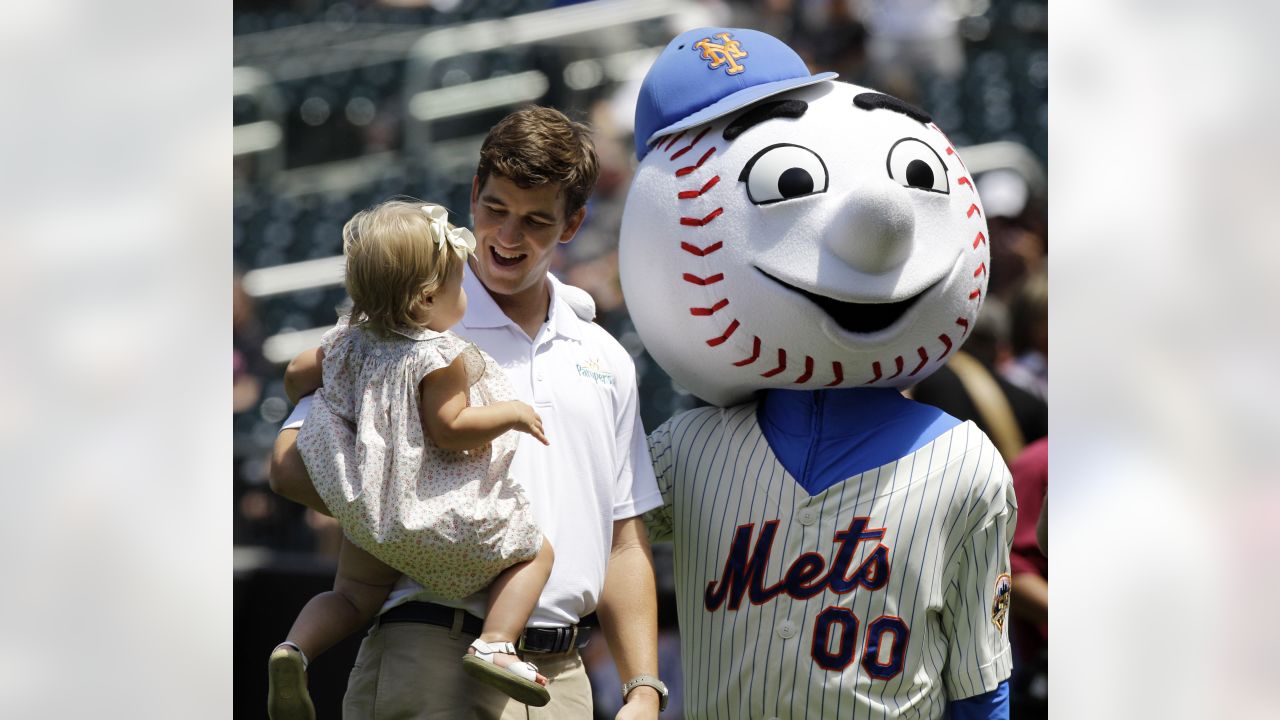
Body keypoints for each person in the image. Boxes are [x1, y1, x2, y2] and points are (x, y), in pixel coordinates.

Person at [269, 106, 667, 720]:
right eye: (496, 210)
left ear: (573, 224)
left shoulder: (605, 356)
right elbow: (290, 465)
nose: (508, 236)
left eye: (536, 220)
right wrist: (415, 512)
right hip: (426, 650)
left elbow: (624, 539)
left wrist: (643, 686)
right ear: (472, 195)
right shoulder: (402, 324)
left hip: (560, 679)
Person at [267, 201, 559, 719]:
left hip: (367, 515)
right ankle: (495, 642)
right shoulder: (438, 356)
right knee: (536, 553)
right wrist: (510, 412)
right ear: (427, 298)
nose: (462, 292)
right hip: (428, 518)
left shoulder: (346, 343)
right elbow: (450, 430)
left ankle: (294, 649)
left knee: (352, 598)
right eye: (456, 284)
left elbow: (294, 375)